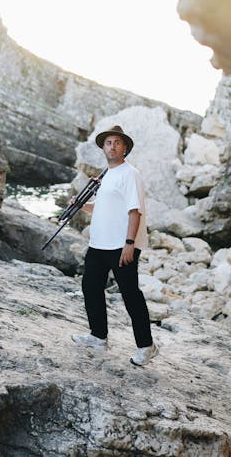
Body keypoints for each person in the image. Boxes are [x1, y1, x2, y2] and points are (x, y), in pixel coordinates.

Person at [71, 125, 158, 366]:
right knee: (90, 287)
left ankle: (146, 346)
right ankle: (98, 336)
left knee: (130, 295)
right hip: (99, 244)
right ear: (103, 147)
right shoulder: (108, 174)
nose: (113, 146)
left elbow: (134, 211)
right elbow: (104, 206)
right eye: (109, 142)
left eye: (117, 143)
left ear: (125, 148)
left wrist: (129, 244)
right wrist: (81, 205)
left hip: (121, 245)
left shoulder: (131, 174)